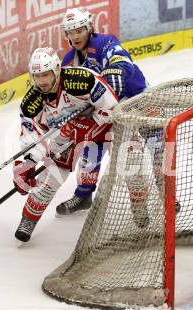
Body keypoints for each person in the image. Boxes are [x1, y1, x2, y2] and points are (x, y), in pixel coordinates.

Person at [13, 47, 117, 243]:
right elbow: (31, 135)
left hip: (107, 125)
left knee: (132, 158)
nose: (41, 81)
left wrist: (91, 122)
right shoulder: (30, 102)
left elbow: (112, 107)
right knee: (49, 178)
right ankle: (28, 220)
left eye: (45, 75)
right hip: (68, 134)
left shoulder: (81, 79)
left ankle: (142, 204)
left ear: (57, 70)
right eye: (37, 76)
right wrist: (28, 162)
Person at [55, 7, 150, 217]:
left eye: (79, 30)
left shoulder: (103, 42)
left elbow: (121, 60)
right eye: (70, 32)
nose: (75, 36)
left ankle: (142, 200)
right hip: (102, 110)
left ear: (89, 28)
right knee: (91, 150)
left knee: (134, 152)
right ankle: (83, 195)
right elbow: (70, 96)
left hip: (133, 99)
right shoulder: (69, 62)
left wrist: (115, 70)